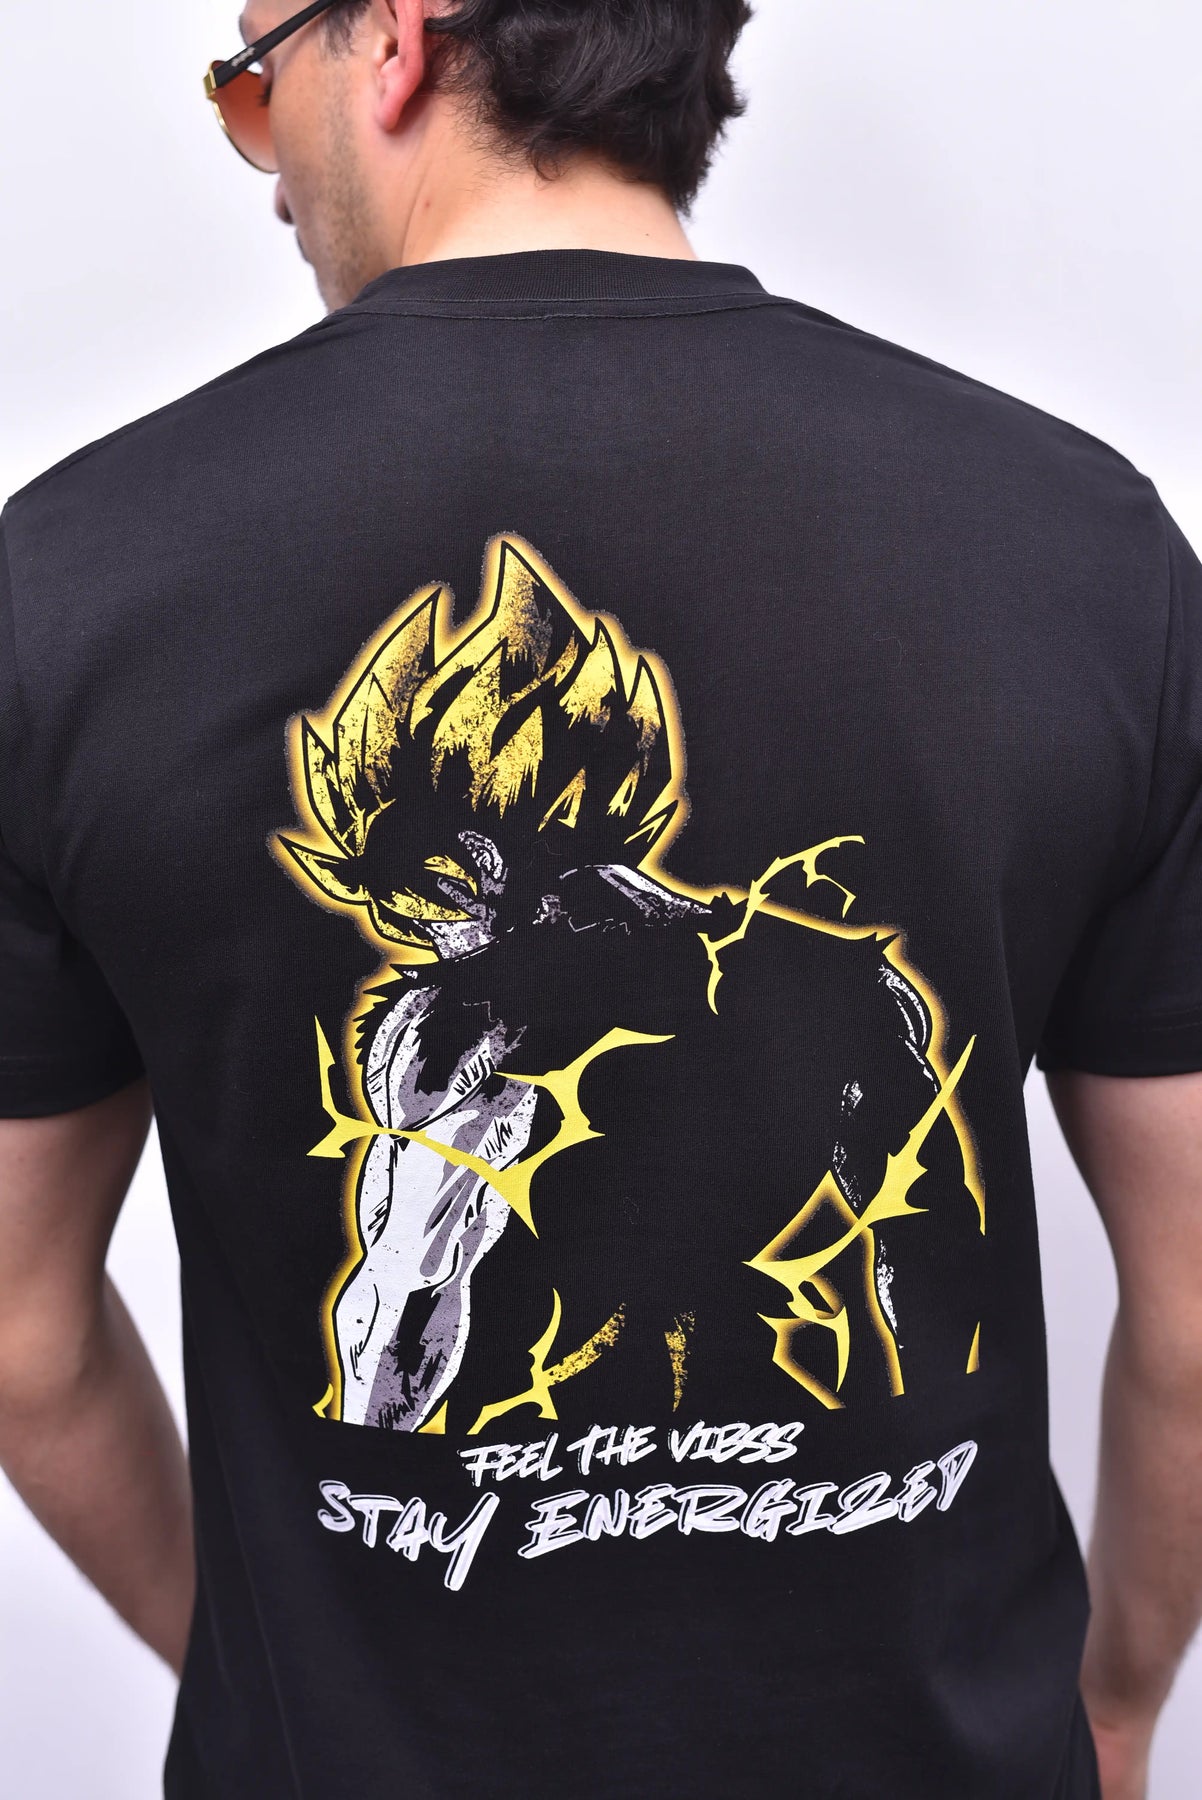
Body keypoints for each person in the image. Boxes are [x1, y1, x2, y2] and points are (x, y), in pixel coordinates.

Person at [0, 1, 1198, 1794]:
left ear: (390, 40)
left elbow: (29, 1334)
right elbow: (1185, 1312)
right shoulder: (1078, 551)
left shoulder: (74, 590)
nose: (263, 162)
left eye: (252, 79)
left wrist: (273, 1682)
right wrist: (1112, 1693)